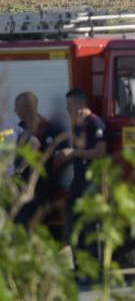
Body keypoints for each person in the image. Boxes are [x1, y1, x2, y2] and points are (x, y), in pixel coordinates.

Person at [55, 88, 106, 246]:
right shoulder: (78, 125)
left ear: (80, 104)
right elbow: (79, 153)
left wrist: (73, 153)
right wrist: (66, 157)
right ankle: (77, 264)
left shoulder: (95, 123)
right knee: (73, 223)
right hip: (78, 180)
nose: (67, 108)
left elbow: (100, 152)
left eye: (70, 104)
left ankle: (94, 264)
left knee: (92, 225)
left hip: (92, 181)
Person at [13, 92, 63, 228]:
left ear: (26, 109)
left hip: (39, 190)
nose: (14, 111)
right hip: (21, 189)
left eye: (17, 107)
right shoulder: (21, 129)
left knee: (32, 226)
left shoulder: (50, 130)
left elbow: (58, 160)